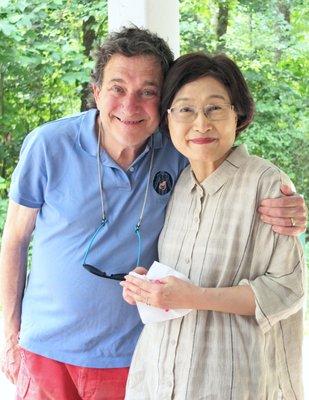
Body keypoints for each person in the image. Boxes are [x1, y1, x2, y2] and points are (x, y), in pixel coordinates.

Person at [0, 27, 306, 400]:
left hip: (131, 354)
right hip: (43, 347)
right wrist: (10, 333)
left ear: (161, 104)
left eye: (147, 91)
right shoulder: (47, 145)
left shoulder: (179, 153)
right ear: (96, 92)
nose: (130, 106)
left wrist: (291, 204)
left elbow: (227, 162)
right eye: (117, 89)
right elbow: (14, 240)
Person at [122, 53, 305, 399]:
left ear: (239, 113)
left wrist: (195, 297)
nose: (201, 124)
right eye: (186, 110)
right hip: (161, 375)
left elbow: (288, 288)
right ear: (168, 119)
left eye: (215, 108)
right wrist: (148, 287)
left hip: (229, 380)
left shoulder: (266, 183)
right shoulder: (176, 185)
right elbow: (179, 279)